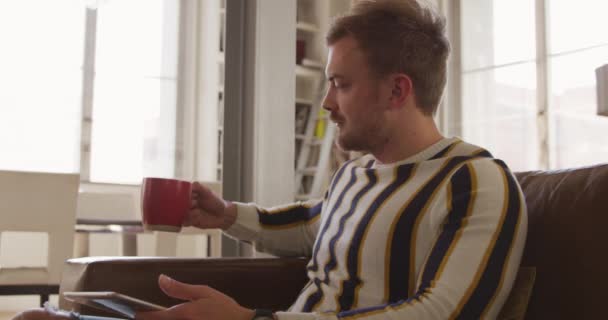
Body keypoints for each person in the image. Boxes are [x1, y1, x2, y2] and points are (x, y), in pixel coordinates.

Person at [13, 0, 527, 319]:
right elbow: (313, 224)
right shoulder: (356, 175)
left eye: (341, 85)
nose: (326, 103)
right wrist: (229, 215)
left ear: (397, 90)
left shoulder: (474, 182)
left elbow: (444, 312)